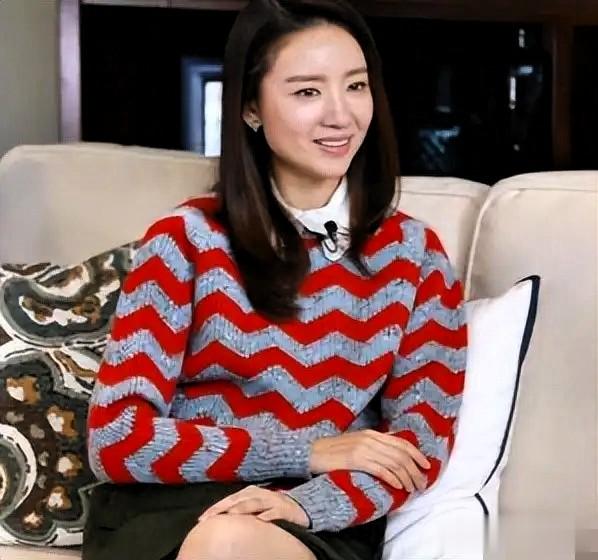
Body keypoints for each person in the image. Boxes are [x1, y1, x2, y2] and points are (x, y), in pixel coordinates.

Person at [82, 1, 467, 559]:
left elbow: (418, 447)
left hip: (318, 518)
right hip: (171, 509)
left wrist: (306, 504)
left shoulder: (415, 256)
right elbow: (116, 439)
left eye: (356, 86)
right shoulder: (184, 241)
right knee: (226, 540)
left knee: (234, 543)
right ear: (250, 109)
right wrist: (308, 449)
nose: (340, 114)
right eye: (308, 91)